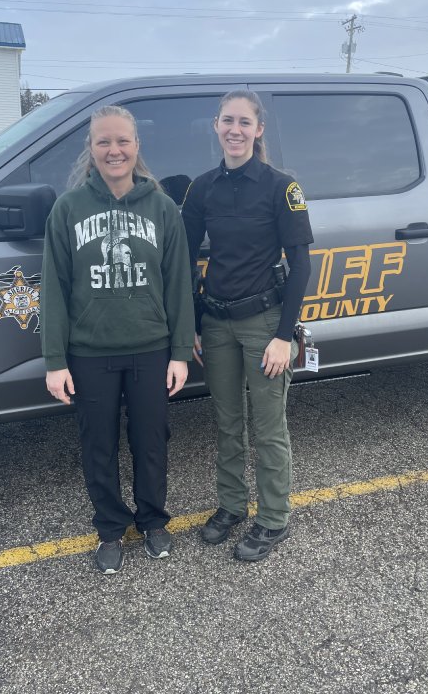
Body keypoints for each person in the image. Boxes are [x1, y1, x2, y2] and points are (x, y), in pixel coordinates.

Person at [41, 105, 194, 575]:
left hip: (151, 348)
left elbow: (178, 284)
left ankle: (153, 521)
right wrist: (55, 360)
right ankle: (109, 528)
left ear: (136, 146)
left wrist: (180, 353)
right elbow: (54, 289)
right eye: (103, 141)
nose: (114, 150)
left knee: (151, 442)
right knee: (98, 446)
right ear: (91, 148)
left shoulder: (162, 208)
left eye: (122, 141)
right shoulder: (68, 209)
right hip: (89, 353)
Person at [182, 91, 313, 562]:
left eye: (244, 122)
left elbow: (301, 265)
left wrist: (283, 335)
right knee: (227, 422)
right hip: (217, 324)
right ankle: (232, 505)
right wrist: (193, 323)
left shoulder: (281, 187)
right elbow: (183, 258)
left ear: (258, 130)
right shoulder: (202, 189)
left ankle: (274, 518)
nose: (234, 129)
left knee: (268, 426)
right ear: (216, 126)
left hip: (264, 324)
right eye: (227, 120)